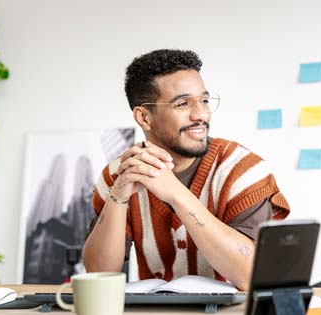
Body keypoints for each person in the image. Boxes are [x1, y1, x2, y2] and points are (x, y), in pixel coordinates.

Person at [82, 49, 290, 290]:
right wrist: (117, 197)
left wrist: (175, 193)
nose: (201, 114)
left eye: (204, 101)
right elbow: (97, 273)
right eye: (183, 104)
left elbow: (250, 274)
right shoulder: (119, 174)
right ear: (144, 118)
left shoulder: (242, 170)